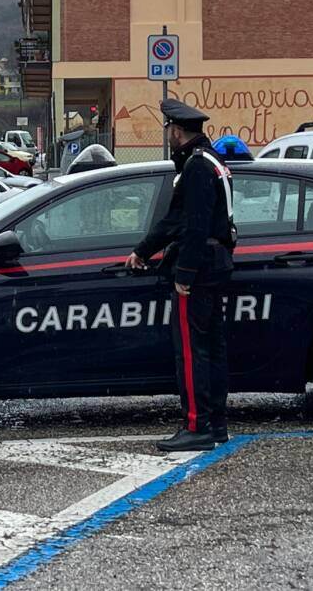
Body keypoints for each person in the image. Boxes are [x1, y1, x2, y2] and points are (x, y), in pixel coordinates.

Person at [125, 99, 235, 452]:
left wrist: (185, 273)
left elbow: (193, 225)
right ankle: (215, 423)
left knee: (190, 351)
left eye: (169, 131)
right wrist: (143, 250)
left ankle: (196, 426)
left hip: (200, 267)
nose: (169, 137)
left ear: (176, 131)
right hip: (216, 262)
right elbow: (180, 220)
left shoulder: (197, 168)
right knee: (212, 348)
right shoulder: (211, 161)